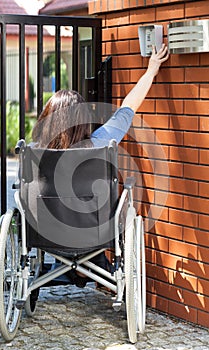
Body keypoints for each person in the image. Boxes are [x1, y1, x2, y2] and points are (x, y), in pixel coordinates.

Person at [31, 44, 169, 287]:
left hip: (48, 231)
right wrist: (151, 70)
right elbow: (129, 105)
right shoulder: (101, 142)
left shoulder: (35, 152)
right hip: (93, 232)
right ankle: (89, 267)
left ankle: (64, 265)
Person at [32, 44, 169, 149]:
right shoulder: (98, 143)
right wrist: (151, 71)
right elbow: (129, 106)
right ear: (83, 120)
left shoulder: (32, 152)